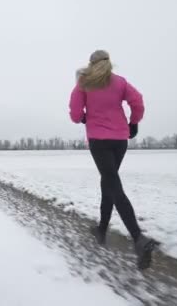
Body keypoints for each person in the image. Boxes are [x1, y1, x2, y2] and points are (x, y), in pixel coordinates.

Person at [69, 50, 157, 270]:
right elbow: (137, 102)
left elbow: (75, 112)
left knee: (113, 184)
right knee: (108, 181)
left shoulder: (84, 82)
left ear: (91, 63)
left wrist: (83, 117)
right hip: (120, 140)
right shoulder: (120, 82)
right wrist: (134, 123)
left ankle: (138, 238)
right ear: (108, 62)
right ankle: (102, 229)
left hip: (99, 140)